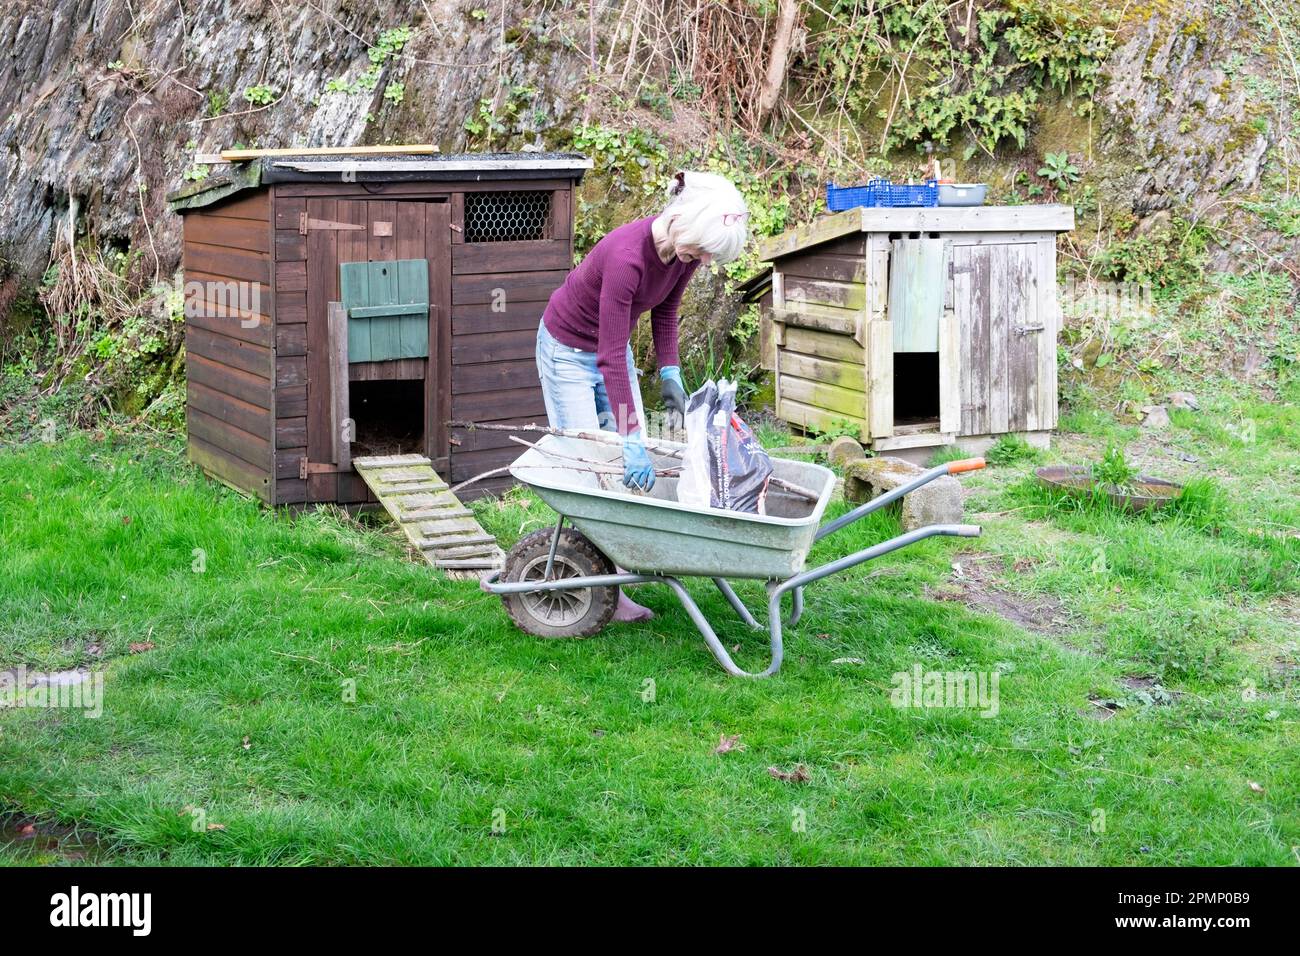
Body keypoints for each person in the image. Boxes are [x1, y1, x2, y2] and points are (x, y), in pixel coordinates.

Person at [535, 170, 749, 622]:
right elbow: (610, 356)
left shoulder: (684, 254)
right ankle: (597, 585)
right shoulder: (627, 256)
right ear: (682, 223)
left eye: (710, 255)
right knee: (588, 461)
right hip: (568, 351)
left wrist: (670, 372)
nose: (705, 261)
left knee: (625, 463)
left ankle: (612, 569)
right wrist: (630, 435)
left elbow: (666, 313)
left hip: (612, 347)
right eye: (705, 251)